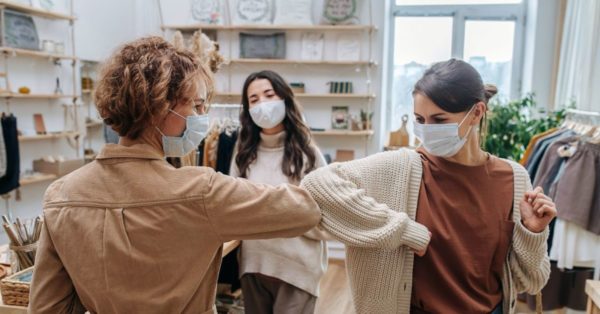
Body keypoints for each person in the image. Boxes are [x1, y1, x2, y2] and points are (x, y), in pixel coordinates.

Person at [28, 37, 321, 314]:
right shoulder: (201, 191)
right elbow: (305, 210)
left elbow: (47, 307)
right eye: (196, 106)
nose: (201, 115)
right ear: (160, 106)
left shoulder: (61, 196)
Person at [300, 59, 556, 314]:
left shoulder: (514, 178)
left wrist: (532, 233)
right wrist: (402, 230)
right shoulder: (400, 167)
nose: (426, 130)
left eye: (439, 119)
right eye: (420, 119)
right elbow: (316, 184)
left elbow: (531, 282)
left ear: (477, 112)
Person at [230, 70, 330, 314]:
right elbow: (232, 204)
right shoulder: (243, 153)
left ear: (284, 97)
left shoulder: (308, 153)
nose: (262, 104)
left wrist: (280, 218)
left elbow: (327, 211)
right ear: (247, 109)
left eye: (269, 94)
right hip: (253, 265)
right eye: (254, 100)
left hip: (298, 267)